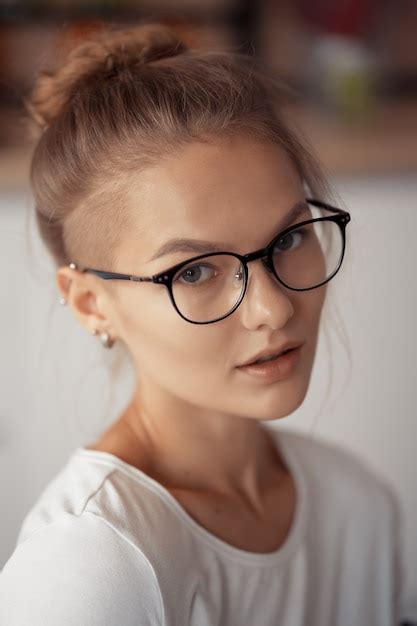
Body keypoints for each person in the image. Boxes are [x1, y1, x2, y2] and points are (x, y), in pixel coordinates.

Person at [0, 20, 404, 626]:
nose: (274, 309)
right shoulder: (93, 562)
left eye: (291, 237)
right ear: (90, 303)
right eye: (193, 272)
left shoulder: (358, 505)